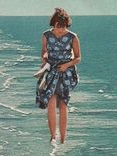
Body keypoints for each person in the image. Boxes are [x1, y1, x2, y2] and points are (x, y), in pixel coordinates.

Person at [36, 8, 81, 144]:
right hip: (51, 71)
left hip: (66, 73)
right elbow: (44, 52)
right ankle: (53, 136)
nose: (61, 30)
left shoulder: (73, 37)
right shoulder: (46, 35)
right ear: (53, 24)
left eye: (63, 27)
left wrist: (66, 65)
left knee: (62, 105)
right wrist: (44, 60)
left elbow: (78, 58)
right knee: (51, 102)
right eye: (58, 27)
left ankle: (63, 137)